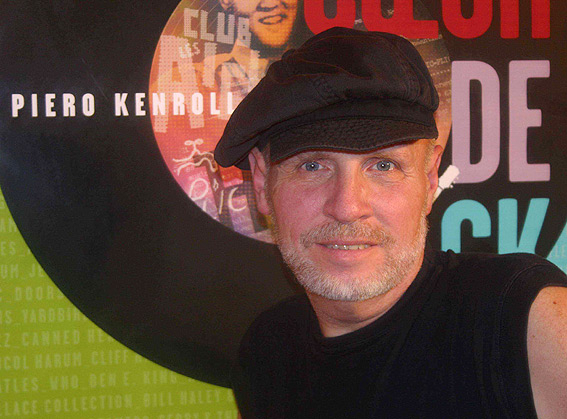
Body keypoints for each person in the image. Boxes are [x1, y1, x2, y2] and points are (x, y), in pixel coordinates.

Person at [214, 27, 567, 418]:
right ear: (262, 184)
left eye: (384, 165)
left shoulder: (524, 321)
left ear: (429, 179)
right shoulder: (266, 352)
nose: (347, 207)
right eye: (313, 165)